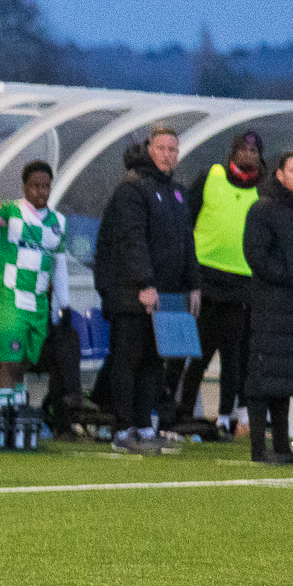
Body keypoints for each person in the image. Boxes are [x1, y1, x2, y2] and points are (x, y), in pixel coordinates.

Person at [94, 125, 200, 453]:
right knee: (128, 360)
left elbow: (187, 241)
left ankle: (143, 426)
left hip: (166, 296)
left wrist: (194, 284)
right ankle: (122, 429)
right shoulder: (132, 188)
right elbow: (132, 239)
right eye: (162, 148)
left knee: (154, 363)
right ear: (149, 149)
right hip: (131, 294)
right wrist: (144, 283)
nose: (167, 155)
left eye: (173, 149)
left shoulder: (177, 192)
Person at [241, 151, 293, 465]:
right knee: (262, 378)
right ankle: (258, 449)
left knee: (286, 381)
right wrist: (290, 279)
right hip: (271, 307)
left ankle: (282, 448)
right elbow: (256, 255)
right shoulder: (262, 209)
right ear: (280, 175)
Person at [178, 130, 264, 437]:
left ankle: (225, 418)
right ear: (233, 152)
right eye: (244, 148)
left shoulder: (262, 191)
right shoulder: (210, 176)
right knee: (198, 352)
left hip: (241, 284)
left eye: (254, 151)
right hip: (205, 279)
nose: (249, 154)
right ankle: (183, 412)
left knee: (233, 357)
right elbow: (186, 219)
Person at [0, 161, 71, 398]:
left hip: (38, 304)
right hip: (10, 299)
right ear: (24, 187)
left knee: (23, 363)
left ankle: (16, 409)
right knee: (10, 362)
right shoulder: (10, 211)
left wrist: (64, 305)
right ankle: (5, 415)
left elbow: (60, 267)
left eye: (46, 186)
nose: (41, 191)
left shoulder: (58, 222)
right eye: (35, 186)